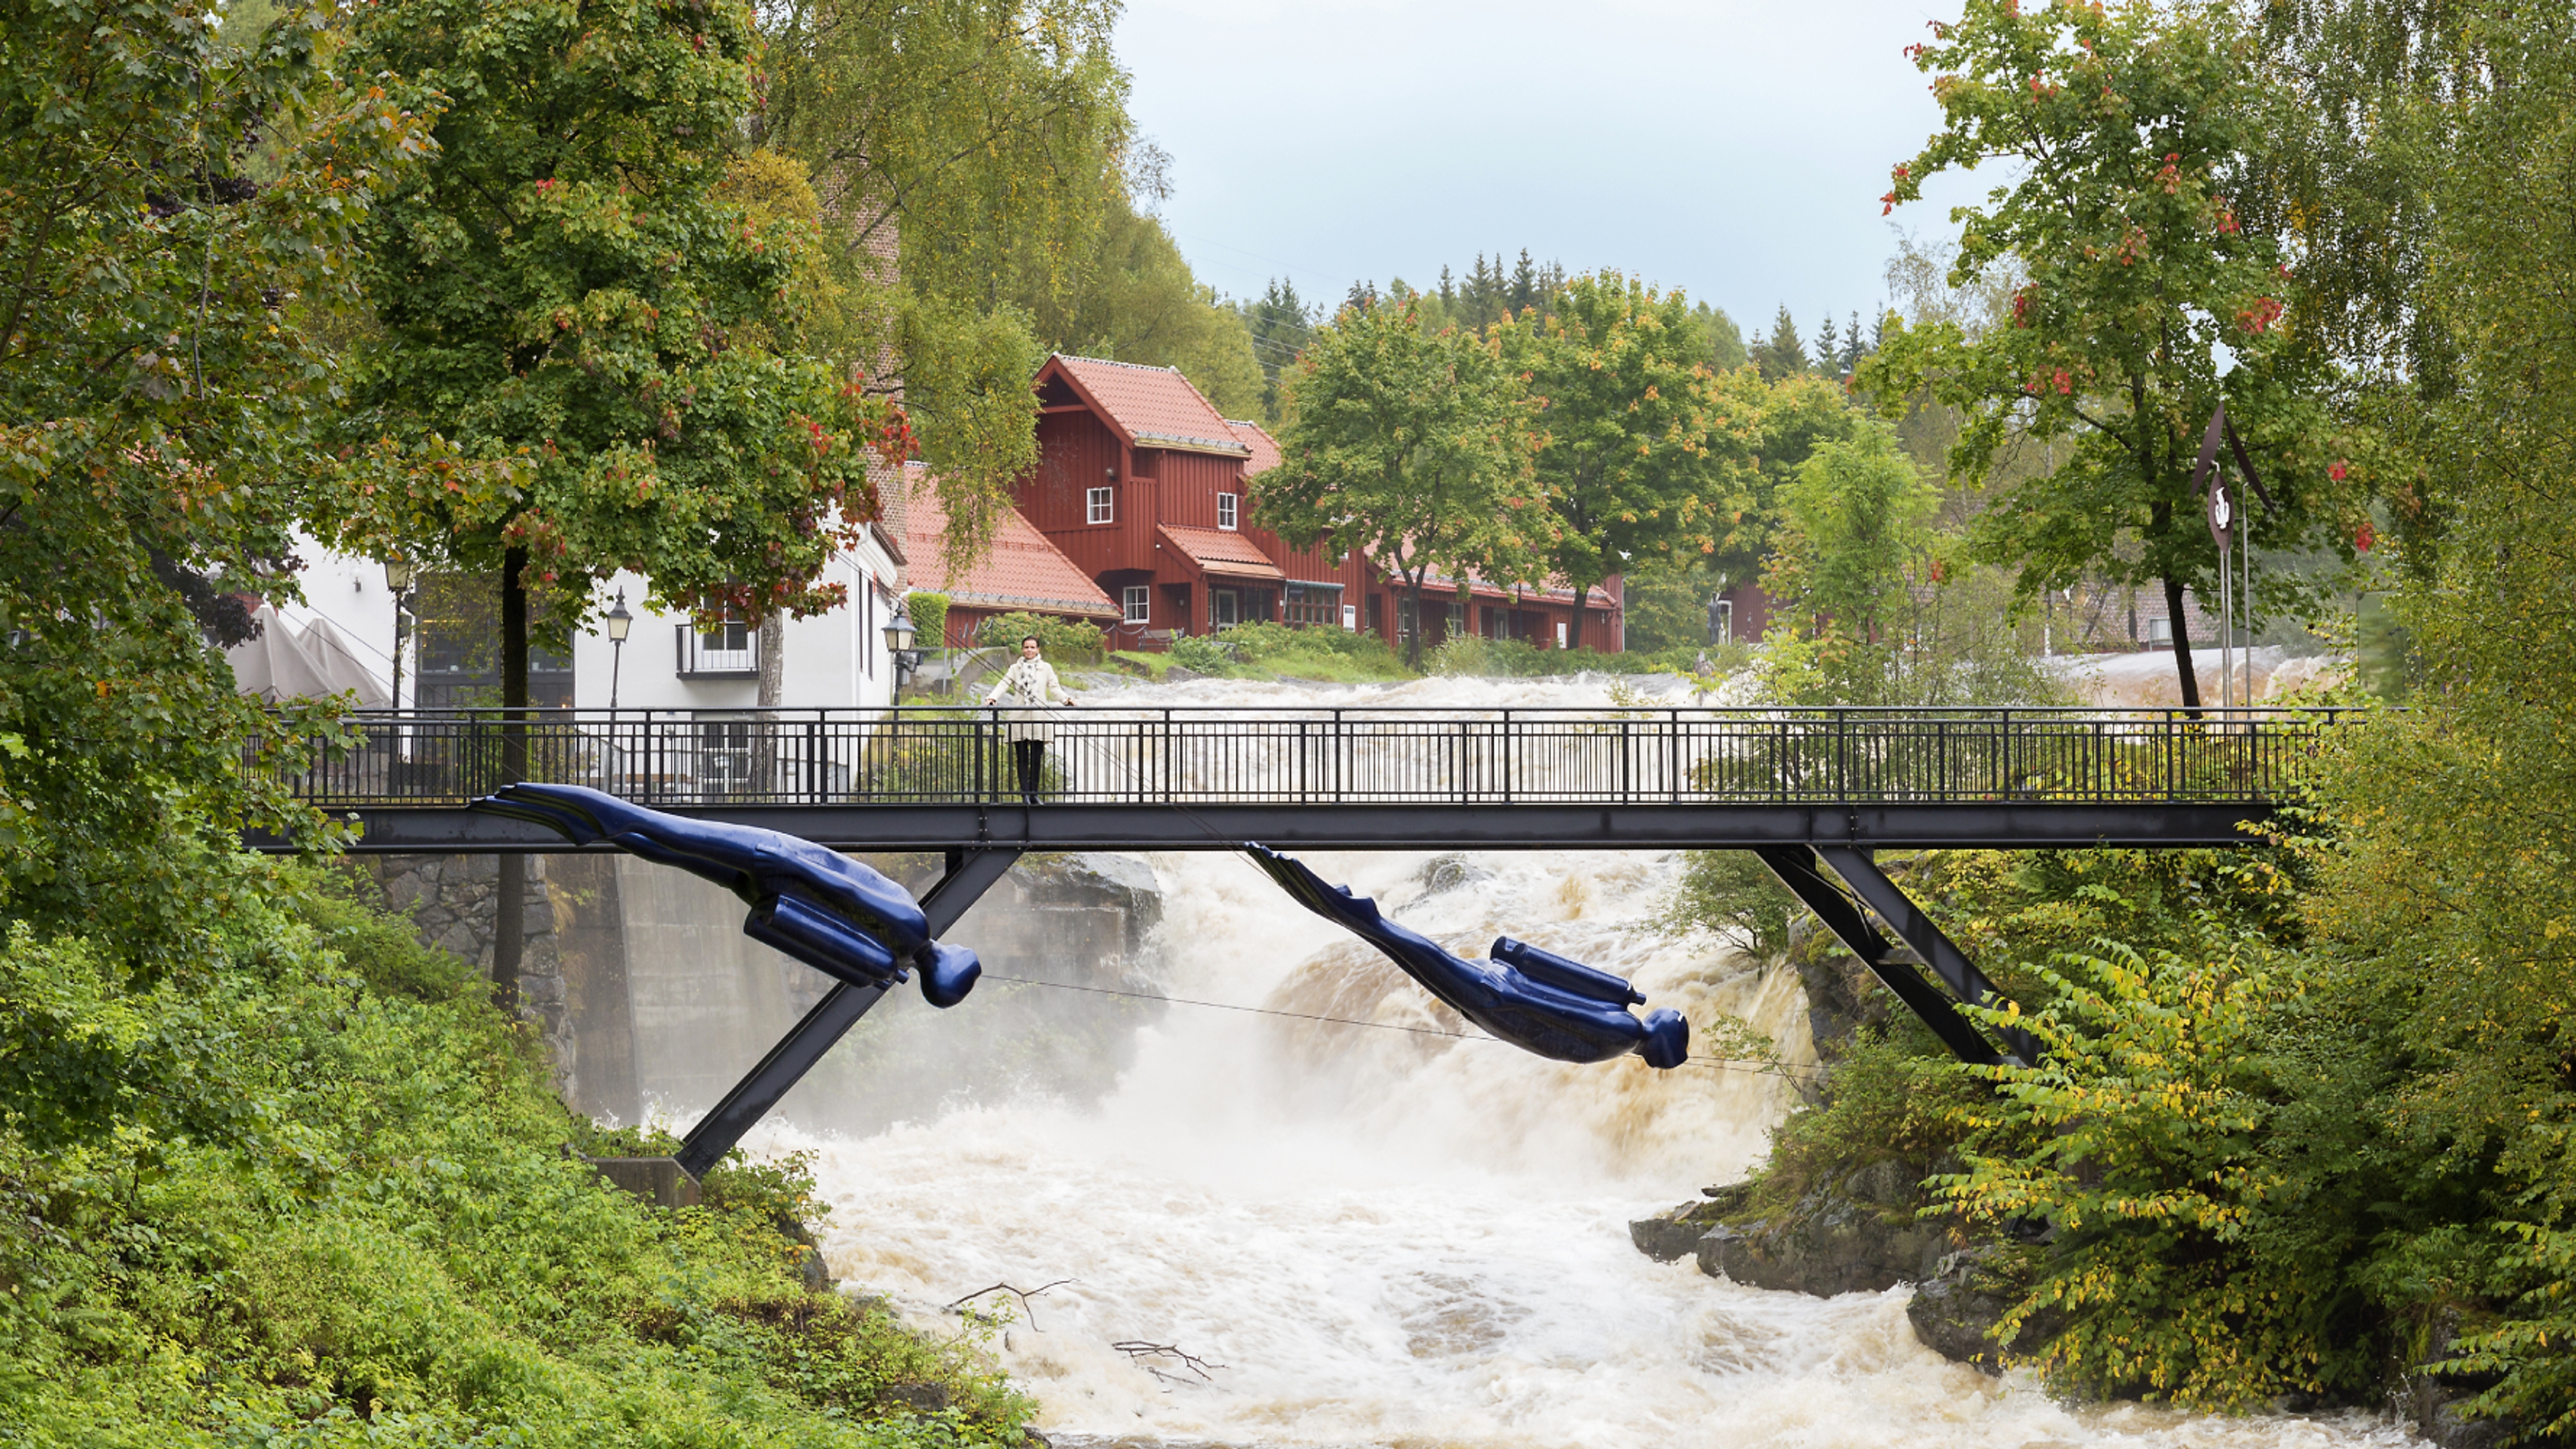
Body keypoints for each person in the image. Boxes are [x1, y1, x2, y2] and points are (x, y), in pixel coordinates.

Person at [982, 633, 1077, 804]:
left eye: (1033, 647)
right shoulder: (1015, 668)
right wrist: (992, 697)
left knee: (1036, 758)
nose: (1029, 650)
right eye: (1026, 647)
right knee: (1022, 757)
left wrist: (1066, 700)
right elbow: (1003, 684)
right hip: (1019, 717)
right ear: (1022, 649)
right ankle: (1025, 794)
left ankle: (1034, 793)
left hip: (1039, 718)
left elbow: (1054, 688)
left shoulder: (1046, 668)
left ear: (1038, 649)